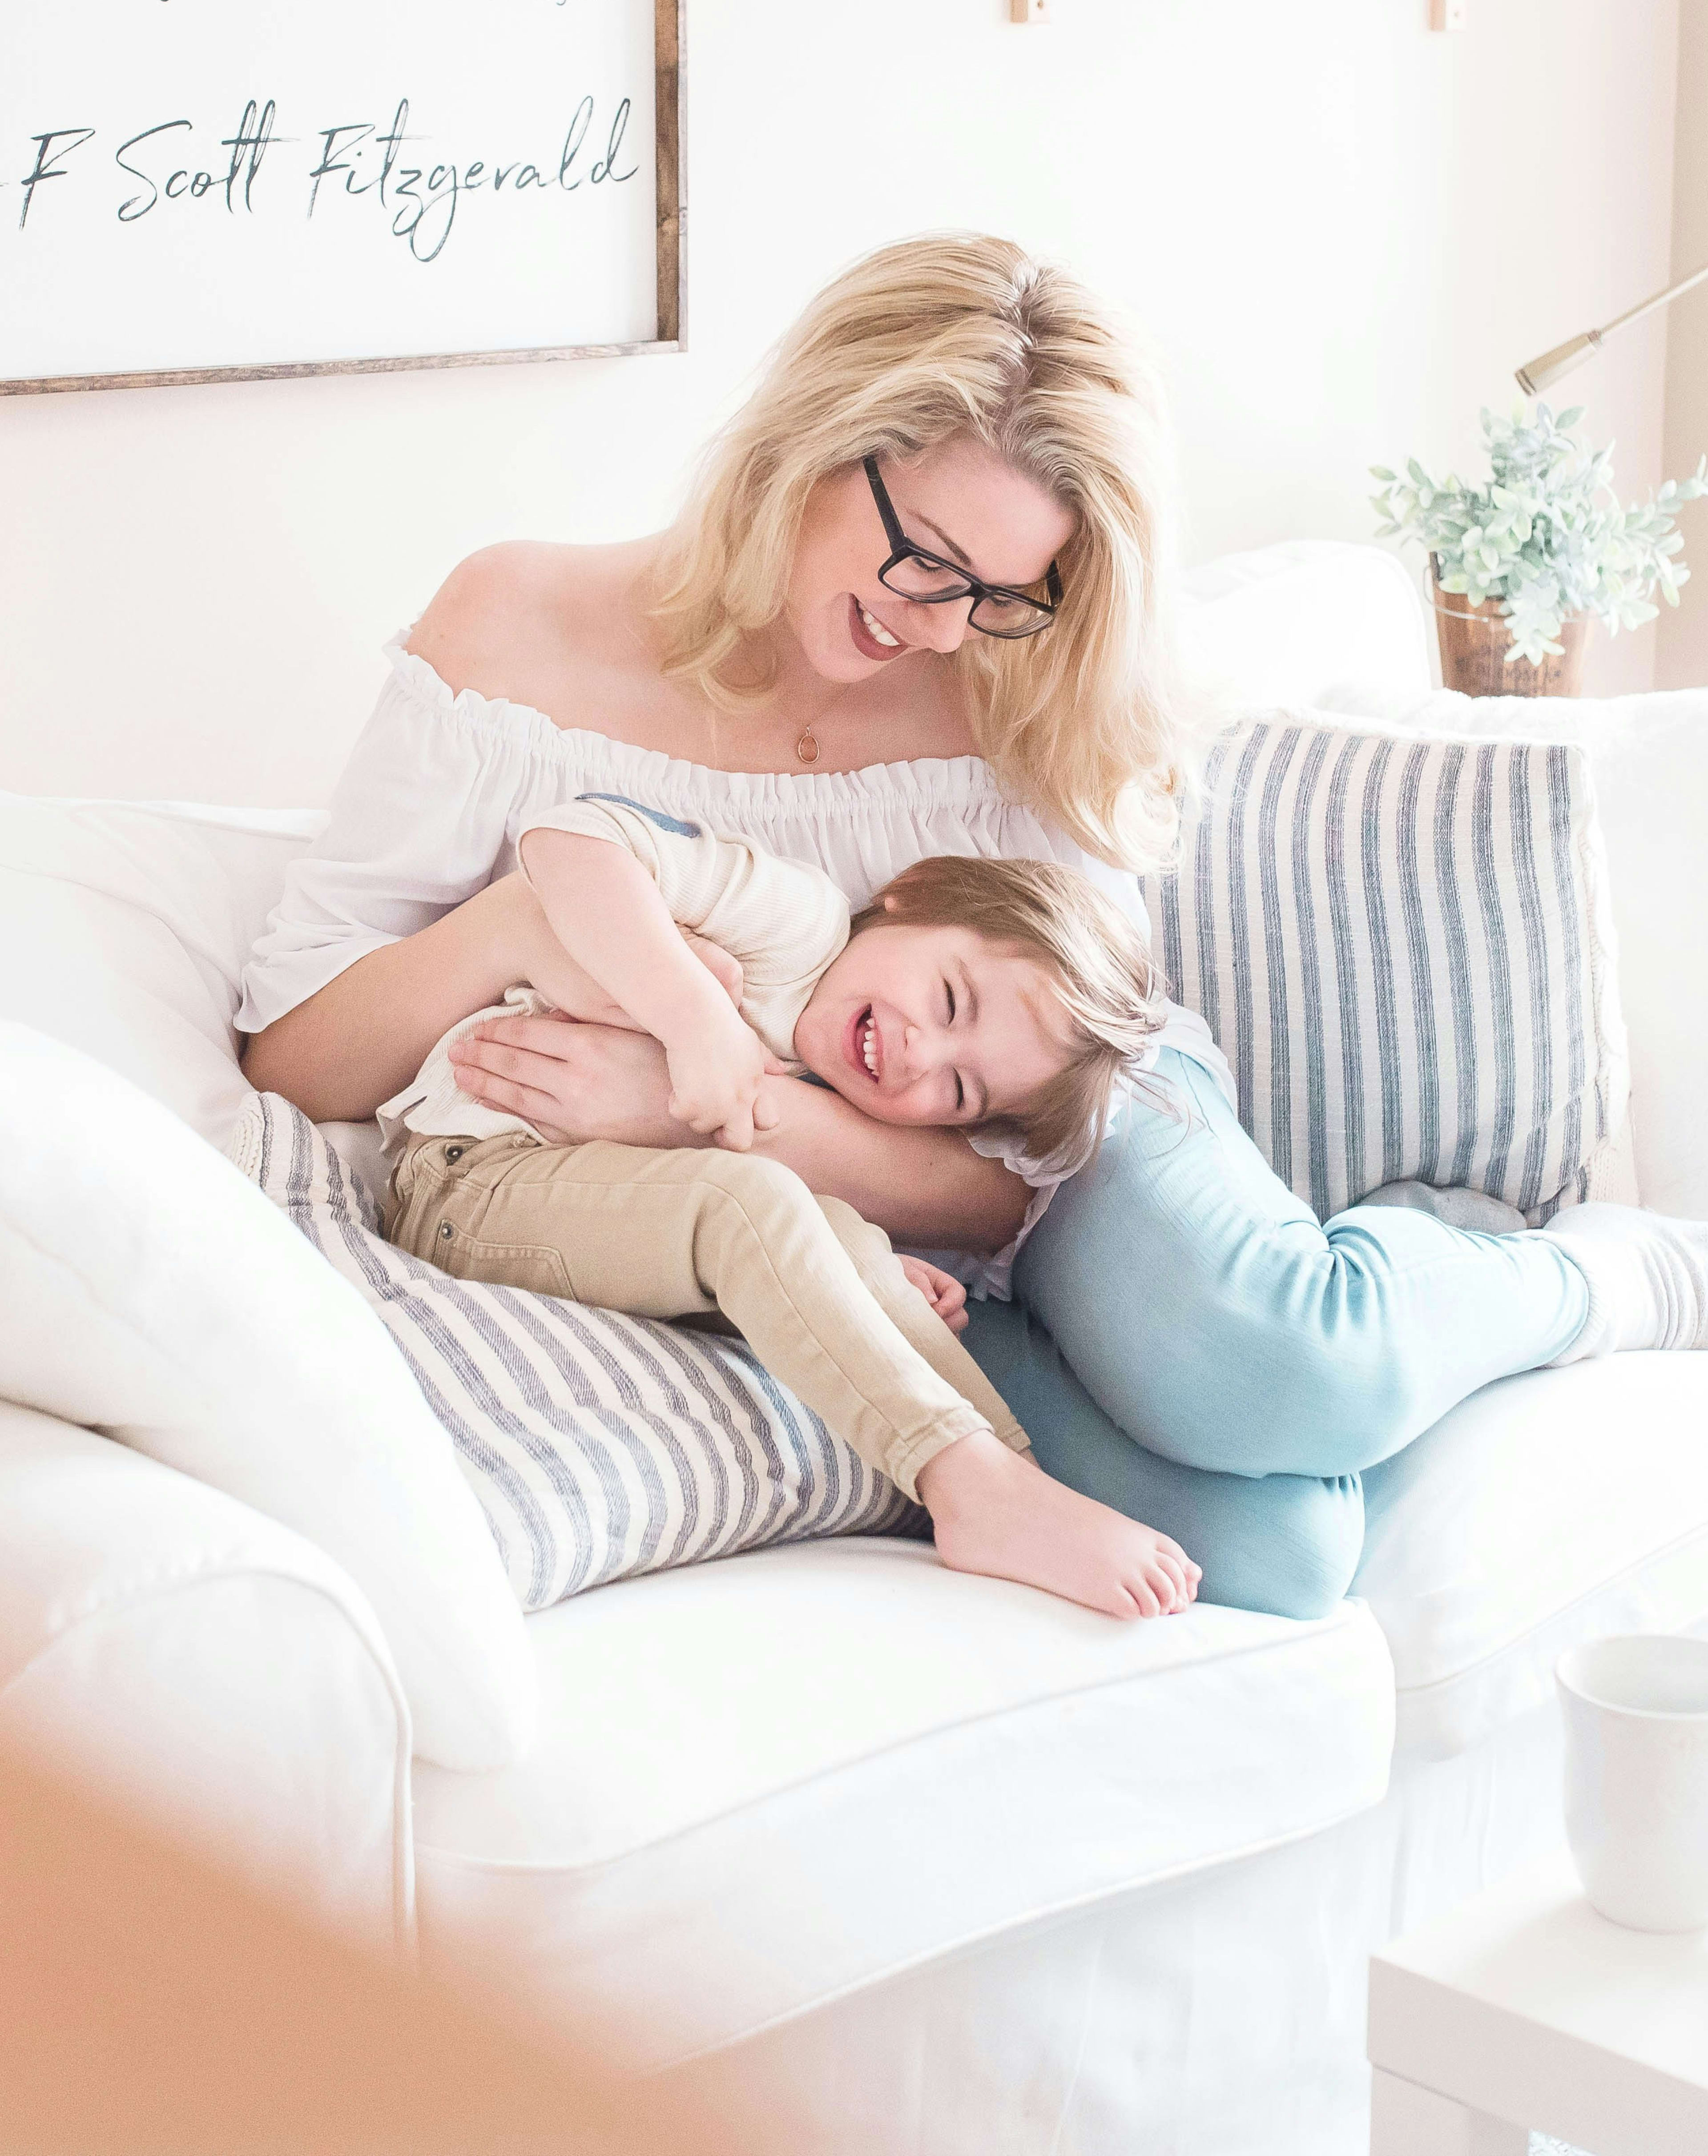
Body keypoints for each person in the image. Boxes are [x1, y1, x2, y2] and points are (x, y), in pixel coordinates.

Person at [240, 234, 1708, 1620]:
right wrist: (518, 929)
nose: (943, 629)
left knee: (1285, 1362)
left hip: (1056, 1104)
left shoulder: (1021, 681)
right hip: (833, 1225)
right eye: (927, 559)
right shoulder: (518, 627)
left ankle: (1590, 1272)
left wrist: (720, 1111)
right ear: (810, 445)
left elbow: (1017, 1186)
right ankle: (1369, 1302)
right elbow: (295, 1061)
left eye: (1005, 596)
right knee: (1281, 1552)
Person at [378, 799, 1196, 1619]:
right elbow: (567, 840)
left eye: (958, 1090)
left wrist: (857, 1273)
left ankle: (1002, 1481)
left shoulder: (842, 1089)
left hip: (595, 1222)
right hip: (471, 1180)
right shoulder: (795, 927)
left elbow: (711, 1217)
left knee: (840, 1235)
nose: (922, 1053)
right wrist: (693, 1018)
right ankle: (966, 1483)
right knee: (755, 1199)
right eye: (950, 1000)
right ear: (915, 894)